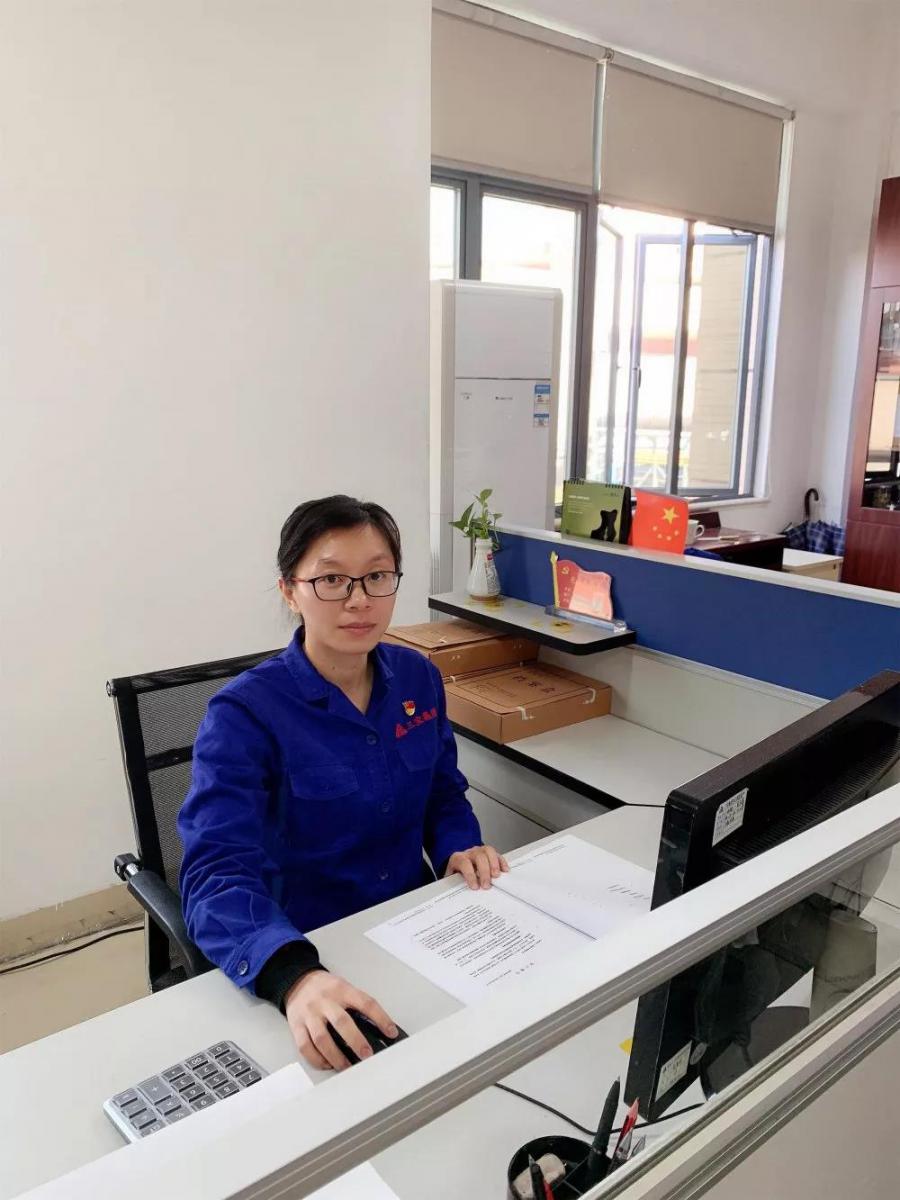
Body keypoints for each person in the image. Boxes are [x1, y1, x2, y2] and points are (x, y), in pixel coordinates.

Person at [178, 495, 508, 1071]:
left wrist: (459, 845)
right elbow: (214, 872)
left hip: (416, 930)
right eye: (331, 579)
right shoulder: (243, 715)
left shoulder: (418, 678)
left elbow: (442, 791)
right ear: (290, 590)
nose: (359, 600)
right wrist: (294, 976)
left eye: (377, 577)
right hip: (309, 950)